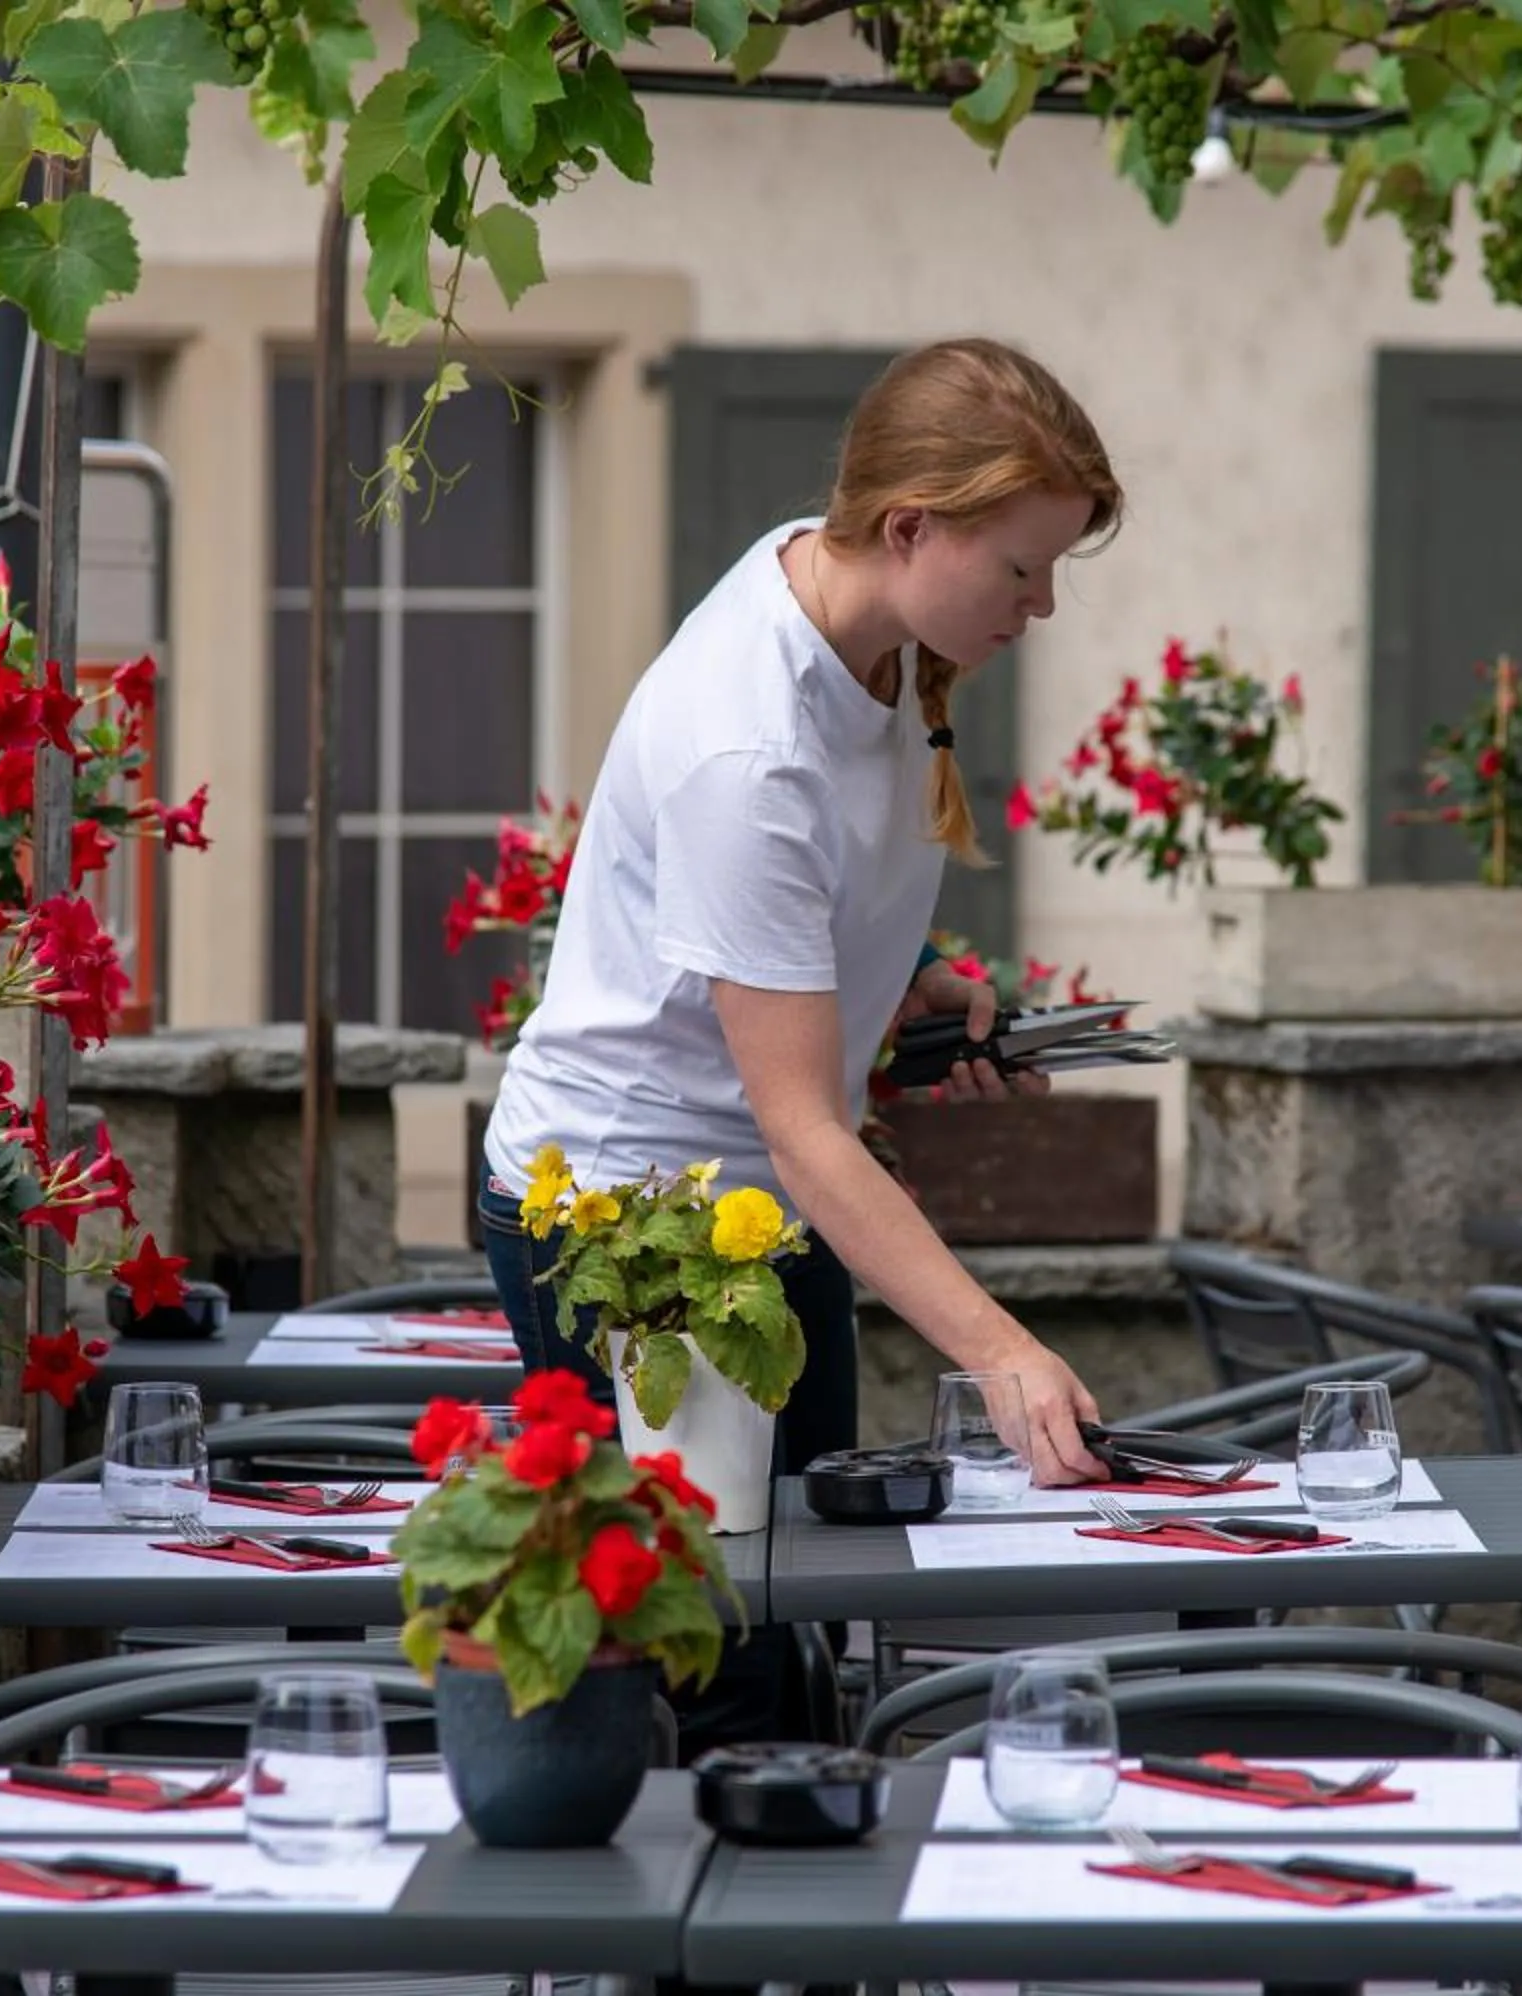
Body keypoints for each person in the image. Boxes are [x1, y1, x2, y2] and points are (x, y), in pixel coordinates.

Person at [473, 337, 1125, 1748]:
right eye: (1022, 569)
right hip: (619, 1215)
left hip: (751, 1208)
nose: (1044, 606)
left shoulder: (851, 610)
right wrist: (1002, 1354)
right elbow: (804, 1131)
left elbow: (767, 949)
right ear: (911, 528)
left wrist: (913, 992)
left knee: (796, 1611)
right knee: (707, 1654)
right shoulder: (745, 739)